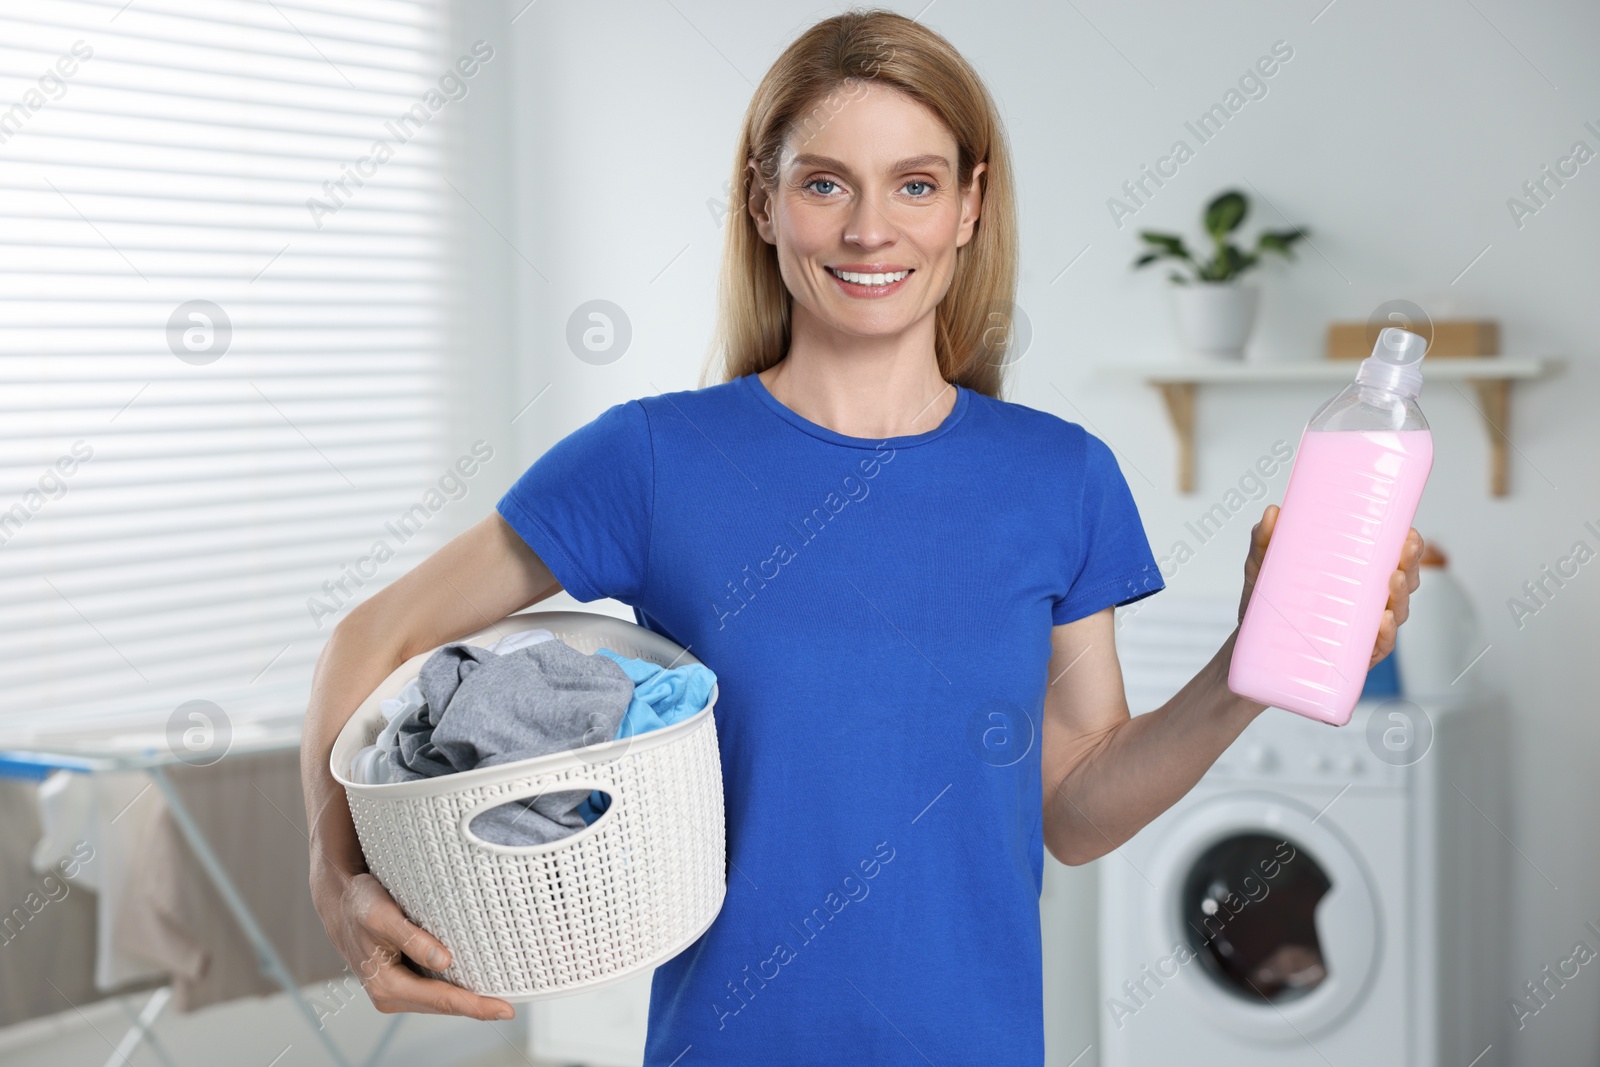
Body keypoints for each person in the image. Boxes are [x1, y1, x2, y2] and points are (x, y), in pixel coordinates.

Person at [300, 9, 1422, 1064]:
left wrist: (1250, 664)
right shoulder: (653, 462)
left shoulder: (1058, 477)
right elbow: (374, 635)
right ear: (761, 201)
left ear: (970, 205)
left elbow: (1074, 807)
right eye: (824, 182)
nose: (870, 228)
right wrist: (334, 871)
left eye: (915, 184)